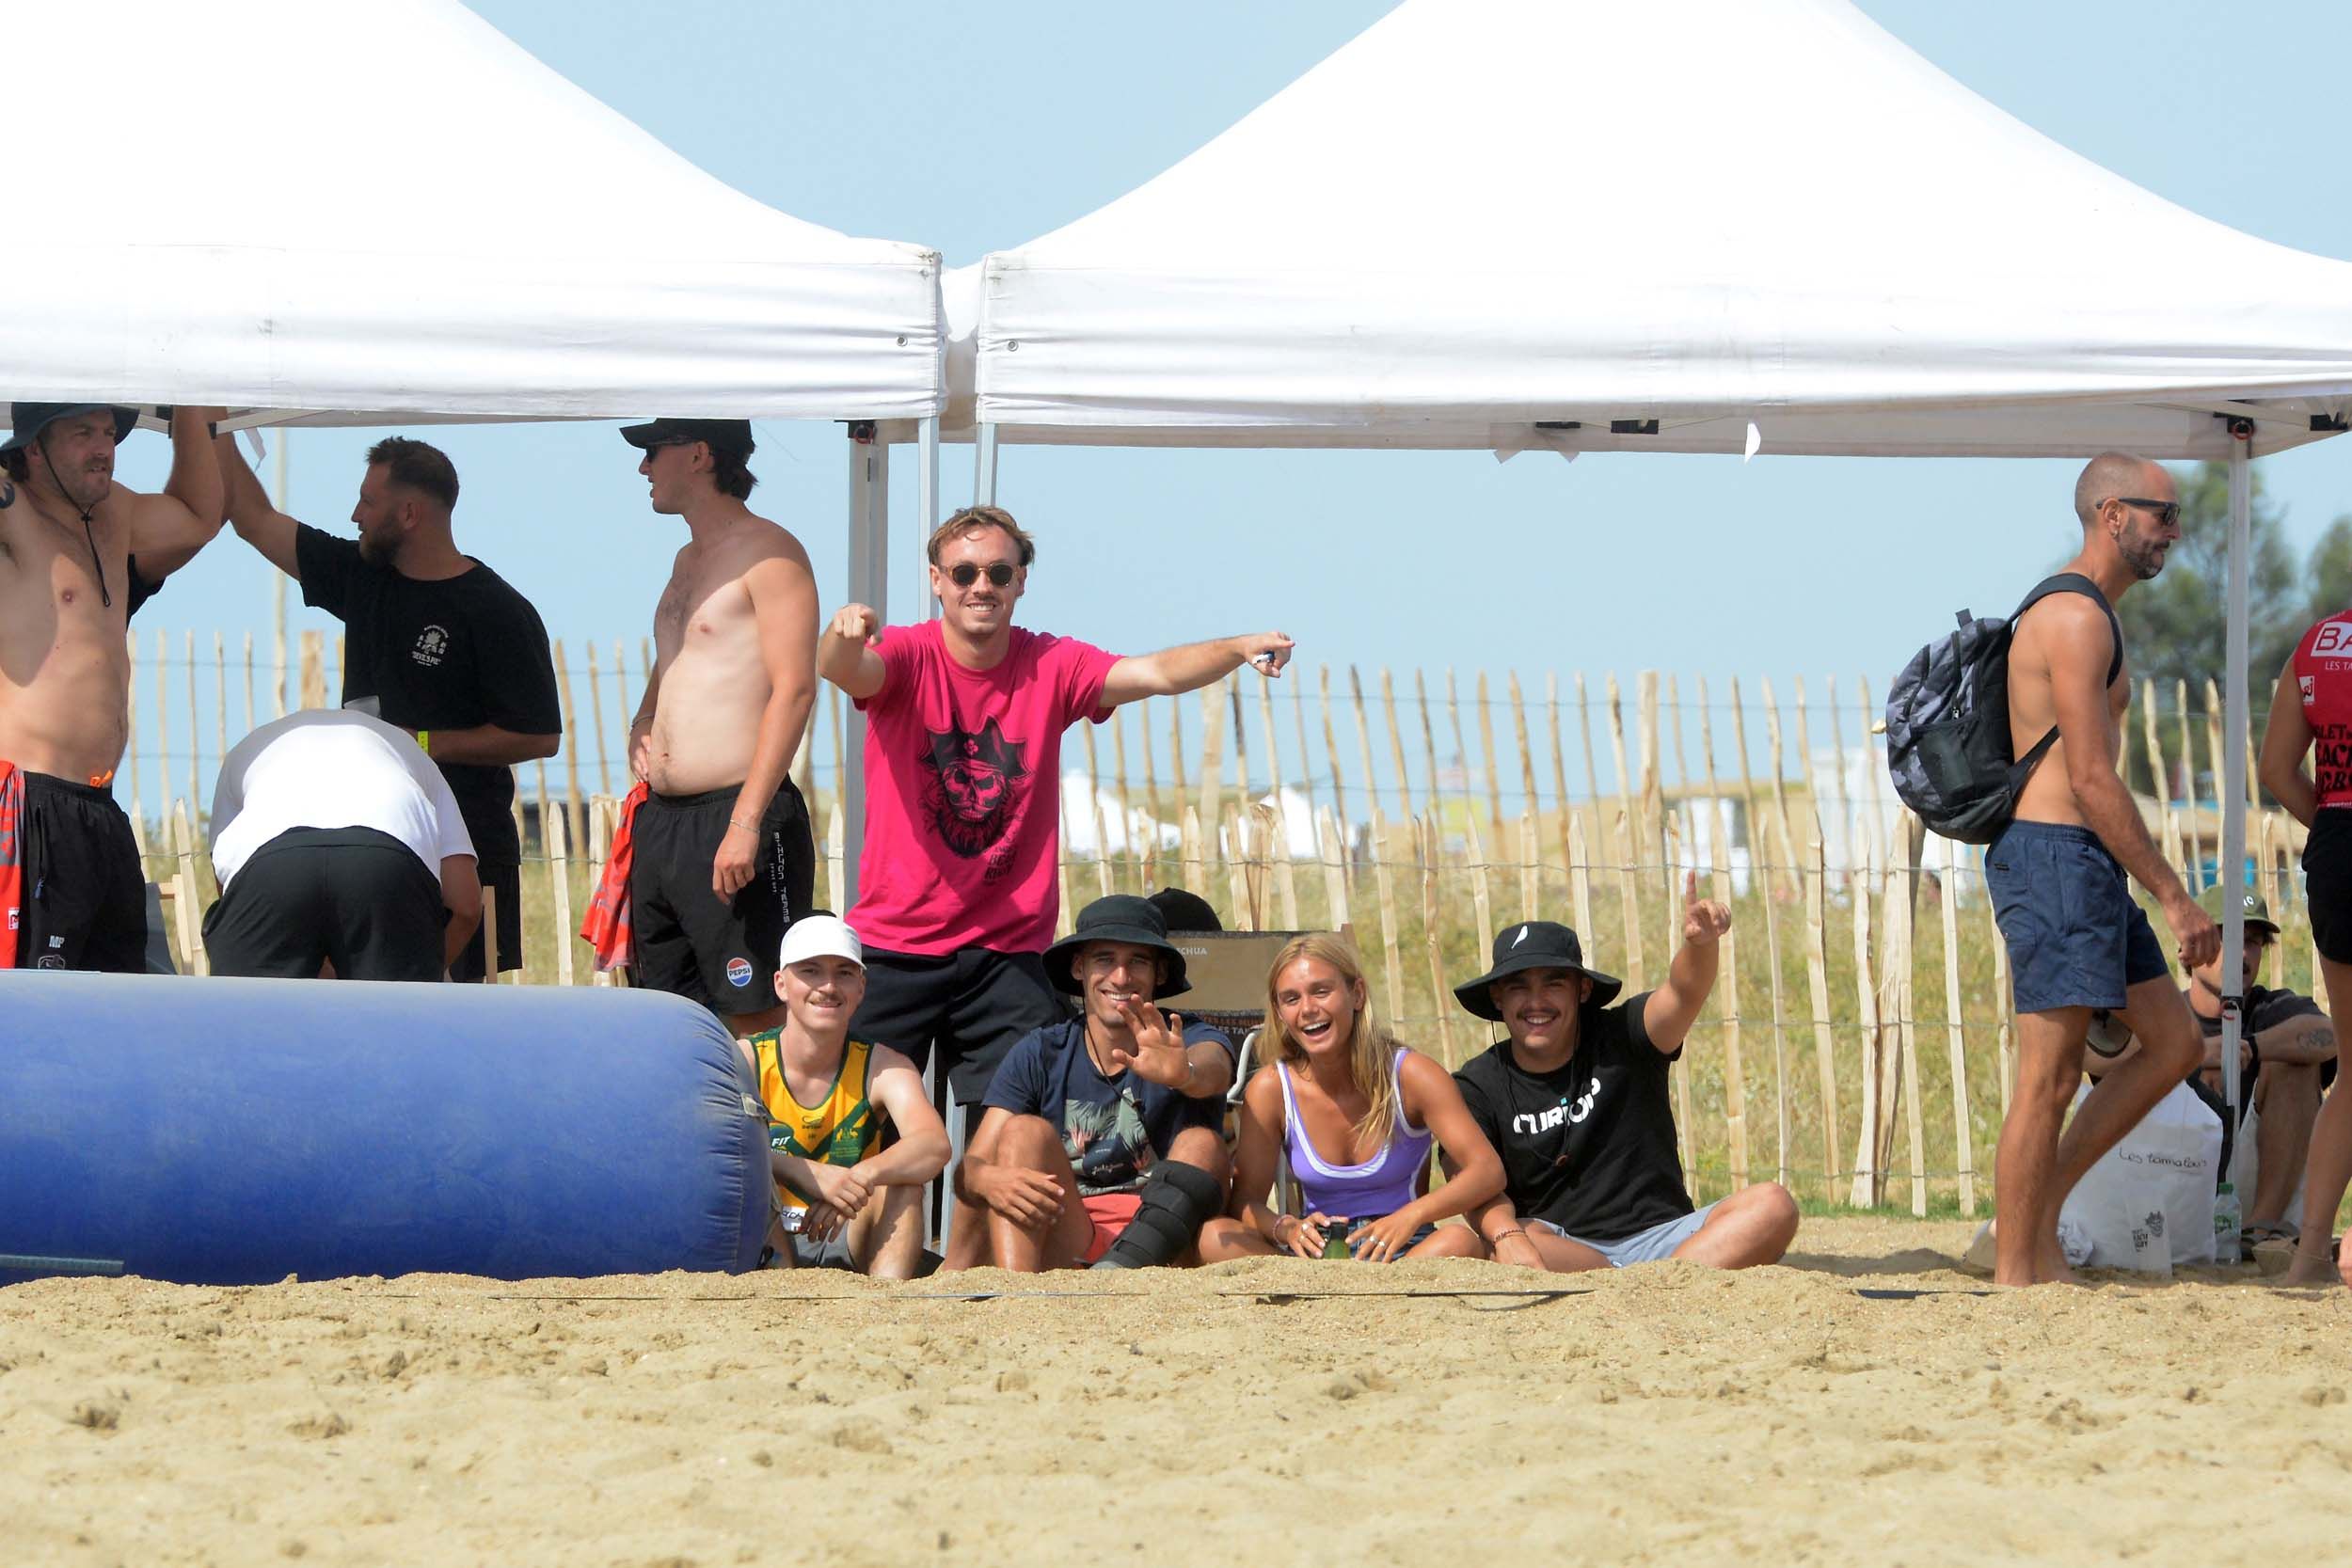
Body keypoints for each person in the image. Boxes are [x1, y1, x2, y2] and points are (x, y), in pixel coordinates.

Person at [818, 503, 1292, 1263]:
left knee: (1009, 1133)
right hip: (898, 940)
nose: (981, 585)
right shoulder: (906, 653)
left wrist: (1237, 647)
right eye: (964, 572)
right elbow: (846, 671)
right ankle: (869, 1270)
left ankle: (974, 1278)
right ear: (936, 581)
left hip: (1006, 950)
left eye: (998, 572)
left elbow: (1154, 673)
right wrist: (842, 635)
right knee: (867, 1128)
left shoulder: (1050, 664)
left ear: (1020, 582)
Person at [1984, 452, 2217, 1286]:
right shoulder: (2076, 617)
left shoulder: (2090, 613)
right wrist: (2175, 896)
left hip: (2080, 863)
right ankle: (2016, 1271)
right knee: (2047, 1079)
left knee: (2176, 1041)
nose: (2175, 532)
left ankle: (2040, 1217)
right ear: (2112, 513)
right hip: (2054, 857)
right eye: (2164, 514)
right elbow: (2090, 777)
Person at [216, 433, 560, 981]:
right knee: (349, 1002)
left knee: (454, 1010)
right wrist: (211, 426)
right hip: (366, 847)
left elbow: (539, 735)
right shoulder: (361, 576)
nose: (354, 515)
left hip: (467, 847)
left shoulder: (497, 610)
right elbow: (254, 520)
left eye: (367, 502)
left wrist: (416, 744)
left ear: (409, 513)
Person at [1452, 886, 1800, 1272]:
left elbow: (1683, 994)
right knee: (1502, 1241)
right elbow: (1473, 1184)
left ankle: (1659, 1281)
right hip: (1561, 1247)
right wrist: (1507, 1235)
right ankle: (1664, 1283)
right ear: (1497, 998)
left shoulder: (1627, 1034)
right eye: (1518, 986)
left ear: (1583, 989)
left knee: (1773, 1205)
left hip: (1668, 1237)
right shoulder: (1476, 1085)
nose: (1536, 1002)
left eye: (1553, 983)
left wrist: (1700, 946)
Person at [0, 404, 223, 972]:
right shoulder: (13, 509)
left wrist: (191, 405)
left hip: (101, 808)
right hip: (29, 804)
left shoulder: (115, 511)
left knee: (118, 994)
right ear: (33, 447)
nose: (103, 447)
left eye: (108, 433)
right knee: (31, 998)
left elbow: (200, 518)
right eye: (83, 434)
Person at [618, 419, 818, 1036]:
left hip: (736, 812)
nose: (643, 468)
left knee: (755, 1015)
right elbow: (678, 657)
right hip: (664, 820)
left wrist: (746, 821)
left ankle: (767, 1111)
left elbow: (795, 688)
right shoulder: (686, 558)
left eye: (654, 452)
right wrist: (644, 719)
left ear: (699, 454)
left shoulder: (771, 554)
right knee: (665, 1016)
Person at [955, 895, 1233, 1272]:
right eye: (1105, 959)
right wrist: (987, 1178)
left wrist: (1186, 1074)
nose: (1121, 977)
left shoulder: (1183, 1034)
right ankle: (1016, 1291)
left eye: (1138, 961)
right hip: (1072, 1233)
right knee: (1023, 1133)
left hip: (1168, 1244)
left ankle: (1119, 1269)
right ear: (1078, 968)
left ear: (1160, 974)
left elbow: (1216, 1067)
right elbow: (971, 1166)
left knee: (1203, 1142)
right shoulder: (1040, 1051)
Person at [1198, 934, 1502, 1262]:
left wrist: (1412, 1215)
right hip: (1317, 1253)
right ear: (1279, 1012)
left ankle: (1364, 1289)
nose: (1307, 1009)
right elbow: (1245, 1201)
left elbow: (1487, 1170)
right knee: (1213, 1236)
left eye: (1321, 991)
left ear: (1357, 994)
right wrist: (1286, 1228)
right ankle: (1339, 1289)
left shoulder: (1411, 1075)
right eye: (1291, 999)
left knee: (1459, 1240)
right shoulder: (1272, 1087)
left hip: (1404, 1248)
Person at [2076, 886, 2332, 1234]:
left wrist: (2246, 1048)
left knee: (2296, 1065)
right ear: (2189, 950)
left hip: (2250, 1190)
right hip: (2161, 1191)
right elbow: (2088, 1055)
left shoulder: (2272, 1008)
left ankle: (2260, 1231)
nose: (2242, 952)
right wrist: (2189, 1057)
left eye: (2253, 941)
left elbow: (2329, 1036)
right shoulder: (2164, 1015)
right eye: (2226, 938)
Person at [740, 914, 949, 1277]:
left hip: (846, 1229)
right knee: (745, 1178)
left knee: (904, 1186)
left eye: (844, 973)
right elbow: (703, 1147)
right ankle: (778, 1292)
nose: (828, 986)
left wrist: (857, 1179)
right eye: (810, 971)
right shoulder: (744, 1059)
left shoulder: (884, 1065)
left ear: (861, 988)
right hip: (764, 1235)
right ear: (781, 984)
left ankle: (886, 1304)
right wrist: (803, 1171)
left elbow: (934, 1145)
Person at [202, 709, 481, 981]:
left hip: (269, 868)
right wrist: (419, 970)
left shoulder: (248, 751)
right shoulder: (412, 753)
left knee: (248, 1008)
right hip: (386, 862)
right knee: (394, 1012)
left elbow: (227, 882)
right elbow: (466, 906)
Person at [2260, 607, 2352, 1286]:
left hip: (2338, 848)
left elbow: (2275, 767)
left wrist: (2327, 826)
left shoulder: (2321, 641)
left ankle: (2311, 1255)